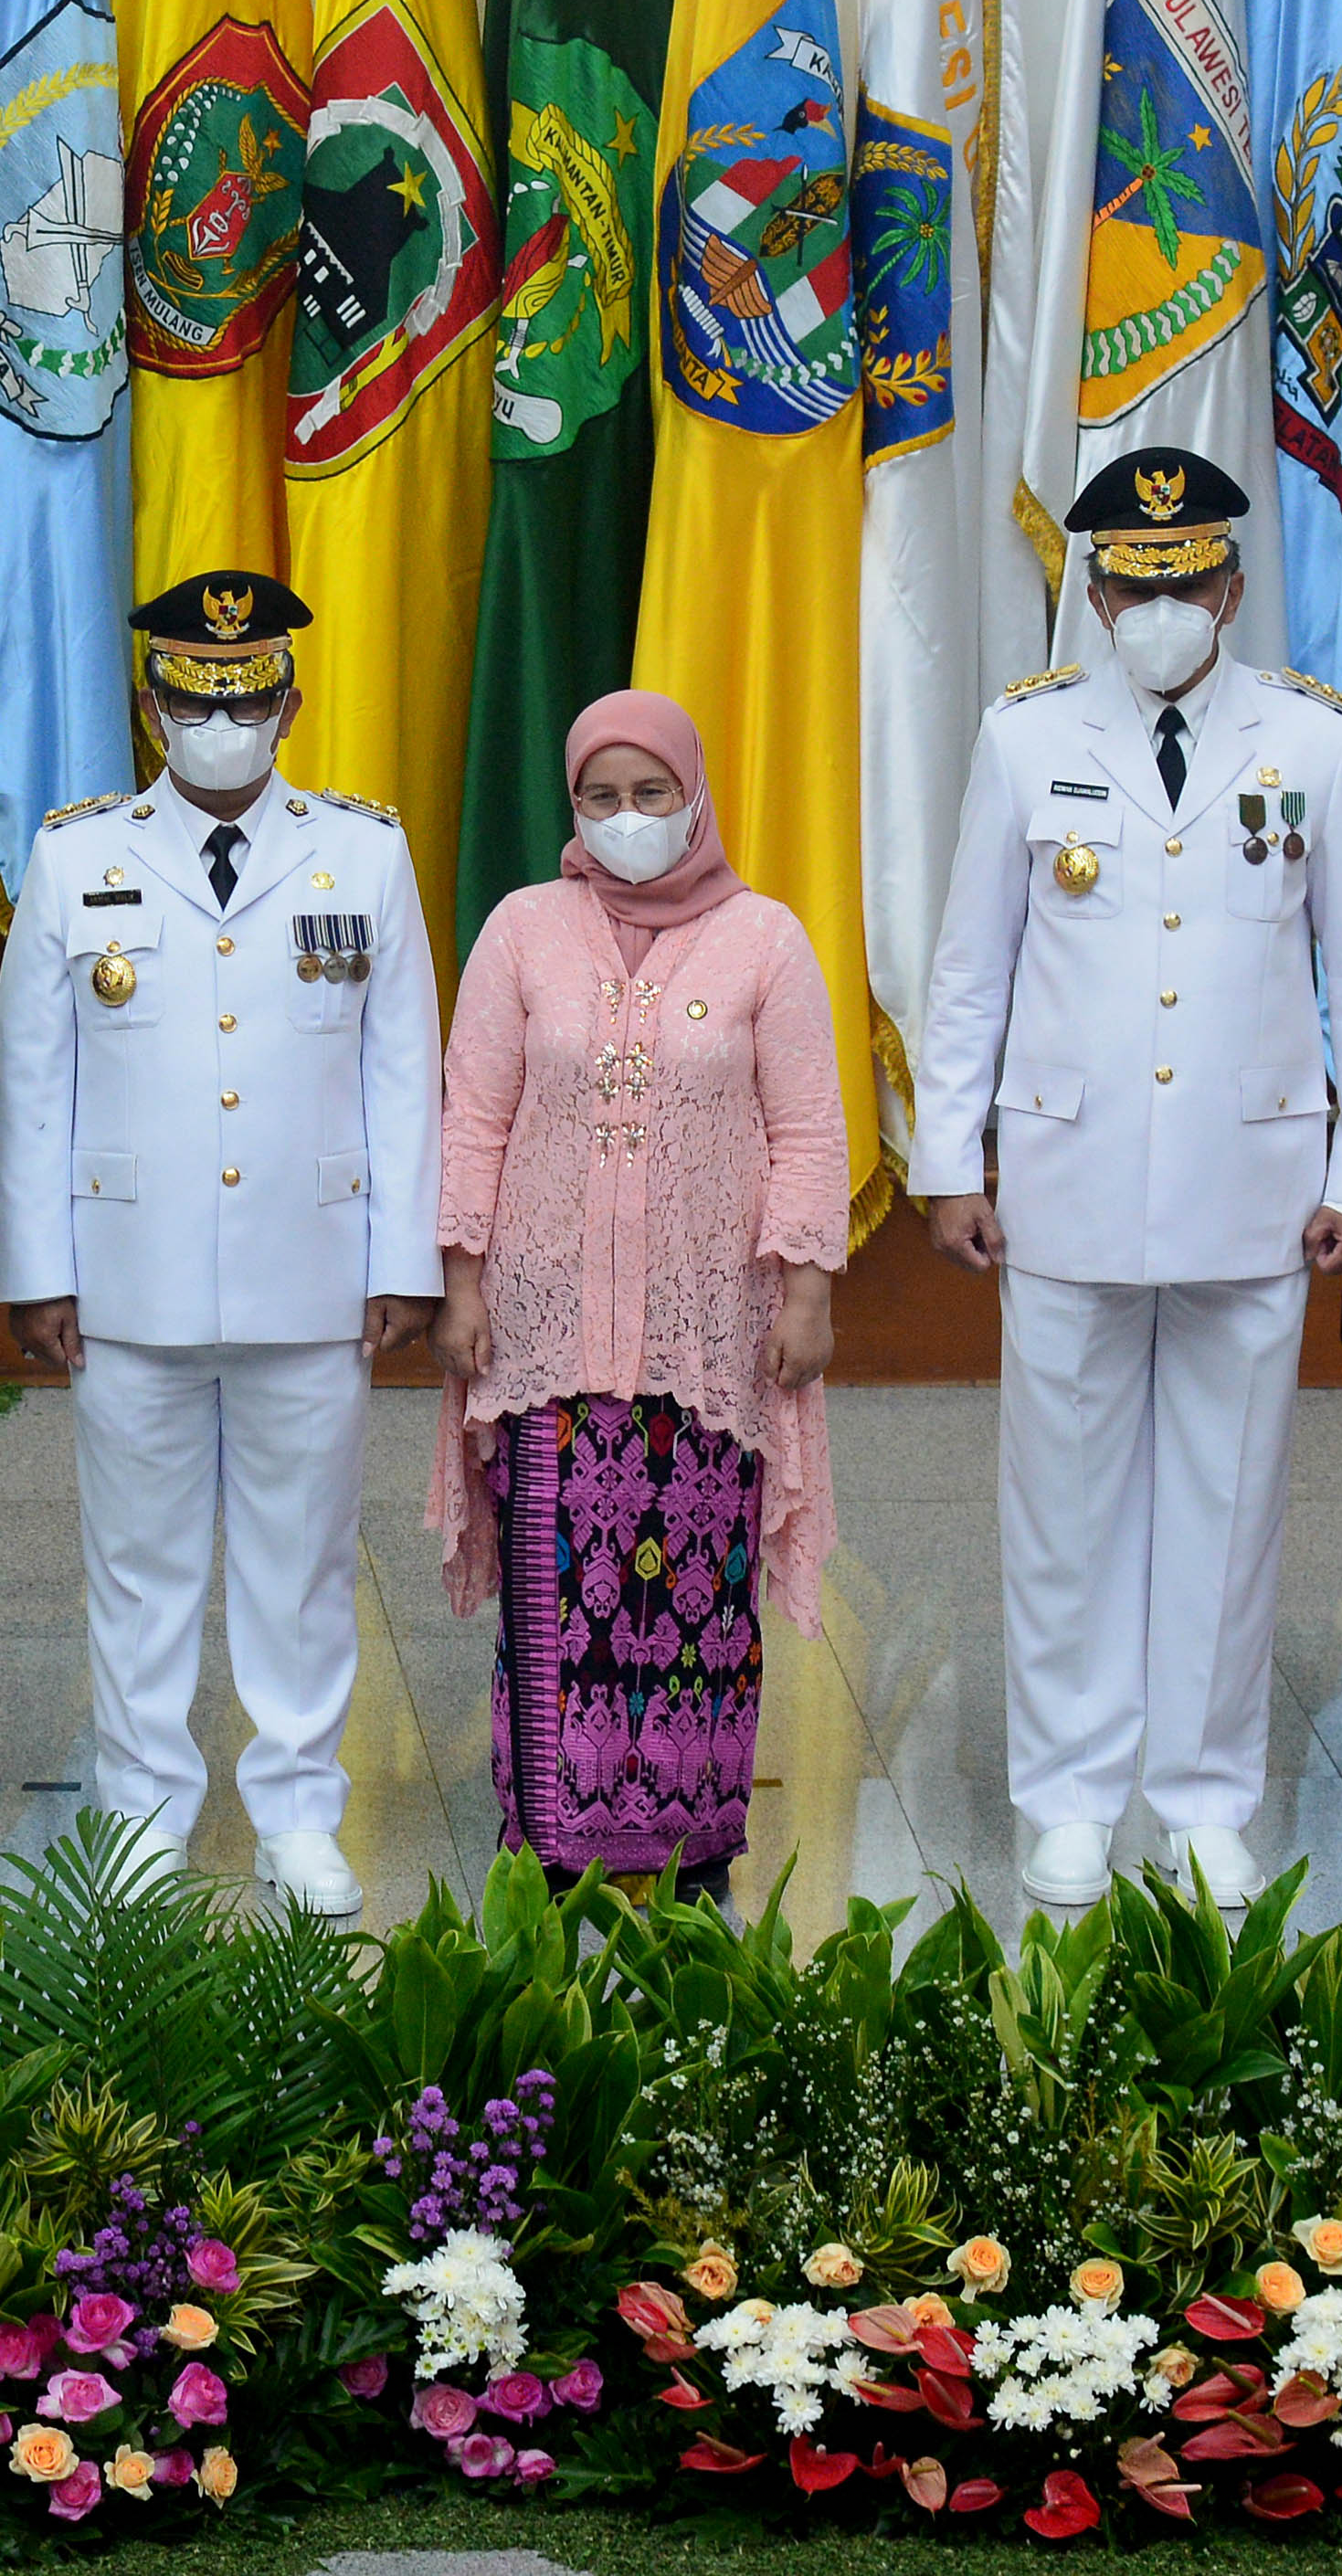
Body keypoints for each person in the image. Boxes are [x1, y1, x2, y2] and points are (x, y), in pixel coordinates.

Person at [911, 448, 1342, 1911]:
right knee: (1059, 1506)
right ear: (1093, 588)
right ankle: (1067, 1792)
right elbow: (967, 970)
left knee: (1231, 1504)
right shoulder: (1024, 736)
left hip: (1255, 1183)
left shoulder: (1314, 739)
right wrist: (949, 1158)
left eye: (1185, 580)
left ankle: (1199, 1799)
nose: (1159, 604)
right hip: (1060, 1177)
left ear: (1234, 586)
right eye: (1131, 580)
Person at [0, 573, 438, 1920]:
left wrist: (402, 1261)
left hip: (314, 1269)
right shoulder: (77, 855)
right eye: (192, 701)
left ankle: (301, 1811)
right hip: (129, 1278)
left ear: (290, 706)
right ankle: (139, 1816)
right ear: (151, 708)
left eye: (244, 702)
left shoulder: (363, 851)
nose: (219, 725)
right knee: (137, 1563)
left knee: (301, 1562)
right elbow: (32, 1073)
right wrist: (37, 1269)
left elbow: (400, 1064)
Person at [427, 691, 844, 1896]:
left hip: (713, 1345)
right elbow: (476, 1119)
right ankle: (549, 1852)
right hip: (543, 1336)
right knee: (558, 1606)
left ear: (694, 794)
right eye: (599, 799)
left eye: (648, 794)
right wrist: (460, 1284)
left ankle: (687, 1852)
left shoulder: (766, 938)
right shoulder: (520, 931)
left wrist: (806, 1292)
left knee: (695, 1608)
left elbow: (809, 1127)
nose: (626, 818)